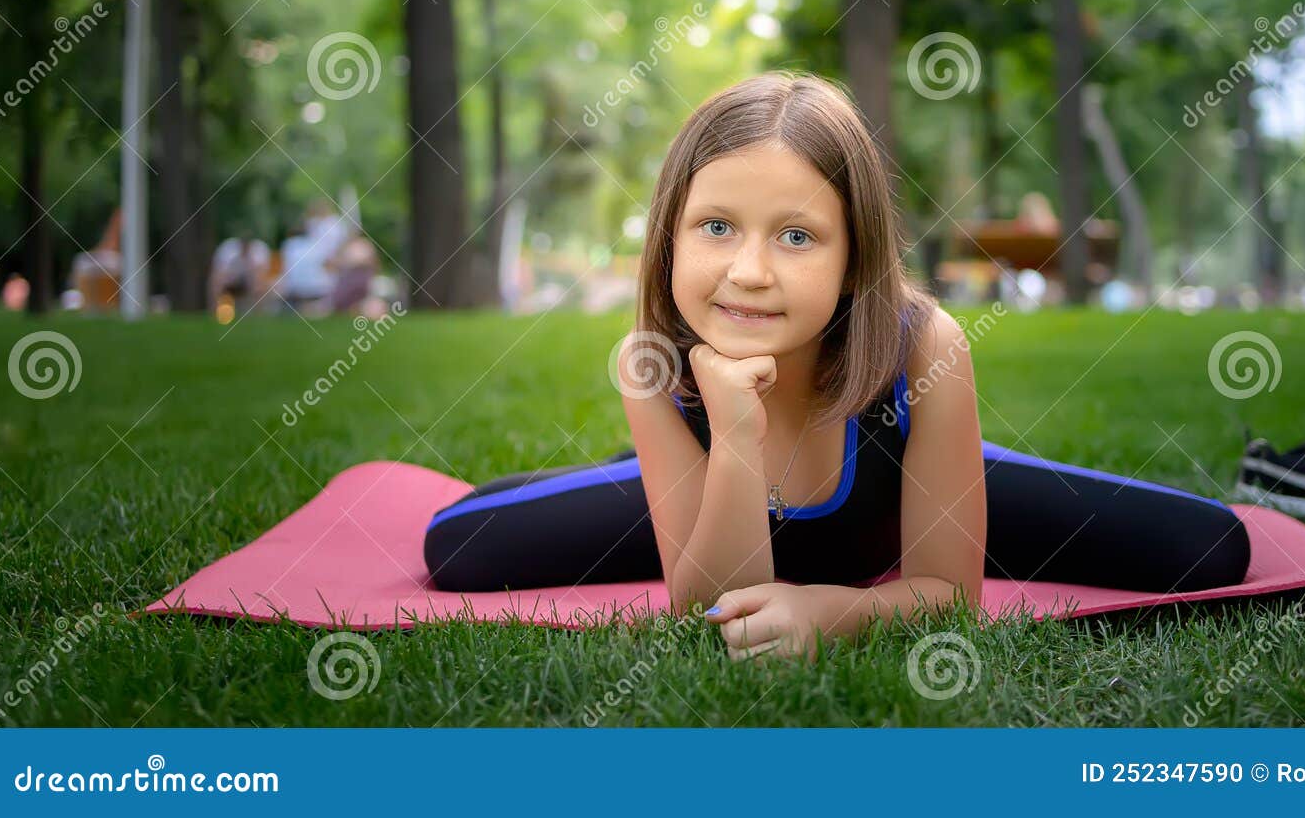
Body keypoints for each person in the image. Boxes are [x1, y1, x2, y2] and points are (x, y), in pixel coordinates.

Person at [422, 72, 1250, 659]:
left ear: (856, 256)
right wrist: (735, 436)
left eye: (796, 235)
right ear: (668, 234)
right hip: (710, 493)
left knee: (1206, 547)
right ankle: (642, 478)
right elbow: (708, 608)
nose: (749, 270)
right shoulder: (650, 361)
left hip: (903, 486)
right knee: (460, 543)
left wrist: (832, 611)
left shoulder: (925, 346)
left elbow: (946, 596)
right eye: (715, 226)